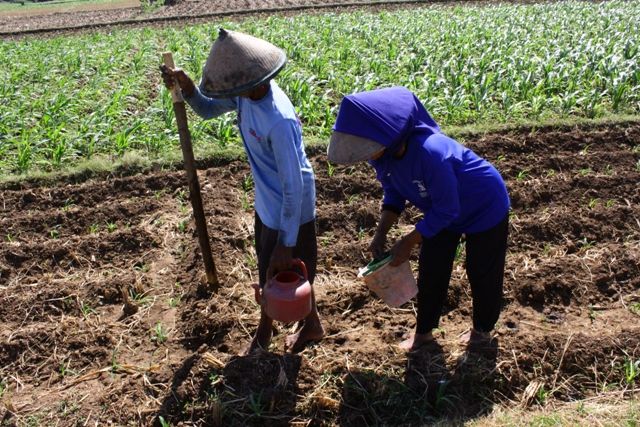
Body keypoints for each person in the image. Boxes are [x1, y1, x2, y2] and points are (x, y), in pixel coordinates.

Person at [160, 28, 324, 354]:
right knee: (274, 265)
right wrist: (189, 88)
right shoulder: (247, 94)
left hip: (292, 206)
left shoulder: (278, 121)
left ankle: (266, 333)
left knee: (284, 265)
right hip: (269, 200)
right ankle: (310, 324)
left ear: (256, 80)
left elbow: (293, 186)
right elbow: (208, 109)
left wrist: (286, 240)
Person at [327, 87, 510, 351]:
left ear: (387, 135)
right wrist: (381, 234)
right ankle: (423, 334)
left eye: (368, 147)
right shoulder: (384, 157)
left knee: (481, 271)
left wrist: (409, 241)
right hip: (442, 209)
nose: (366, 155)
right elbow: (393, 193)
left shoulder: (430, 152)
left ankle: (482, 332)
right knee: (432, 267)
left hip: (484, 206)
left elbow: (448, 209)